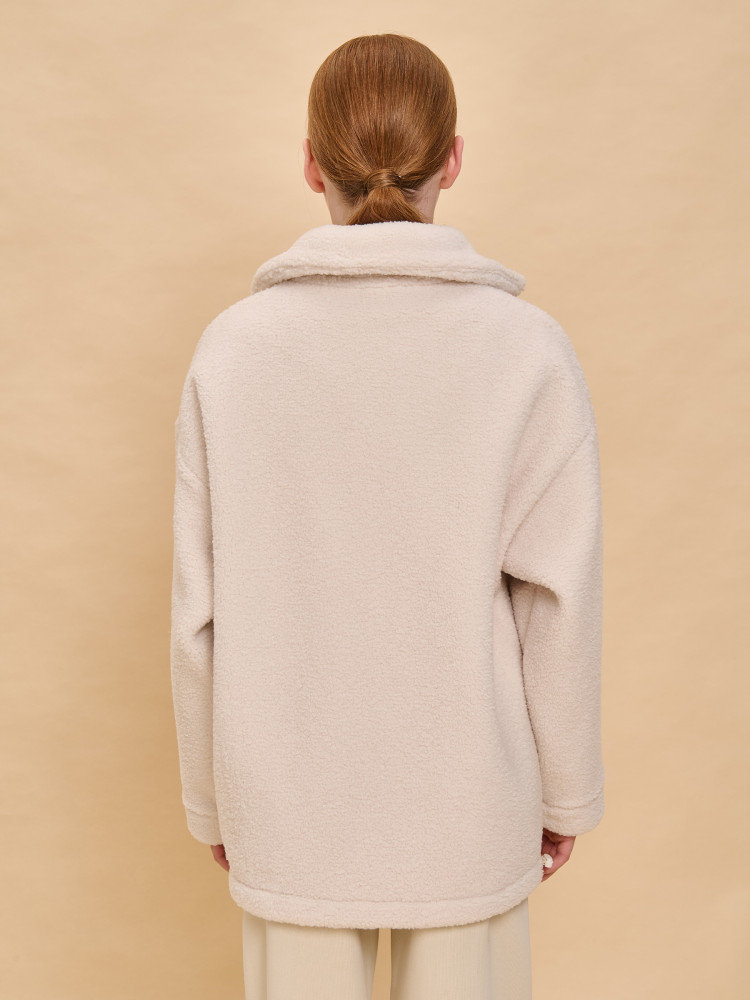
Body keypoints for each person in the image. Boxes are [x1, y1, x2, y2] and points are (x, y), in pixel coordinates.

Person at [170, 32, 605, 1000]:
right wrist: (566, 788)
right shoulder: (526, 349)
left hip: (285, 793)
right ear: (453, 159)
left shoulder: (234, 352)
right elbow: (558, 598)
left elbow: (199, 611)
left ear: (311, 164)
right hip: (471, 792)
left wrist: (214, 799)